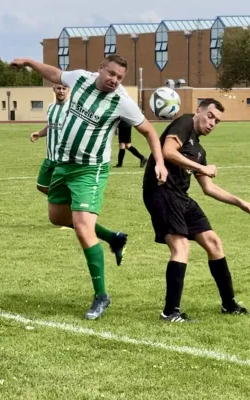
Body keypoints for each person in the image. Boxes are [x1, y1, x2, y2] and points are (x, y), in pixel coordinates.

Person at [10, 54, 168, 320]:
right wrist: (28, 62)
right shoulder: (81, 78)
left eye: (119, 78)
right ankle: (113, 238)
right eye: (111, 74)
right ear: (100, 68)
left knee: (82, 229)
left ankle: (101, 296)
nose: (114, 80)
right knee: (57, 217)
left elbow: (149, 131)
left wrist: (159, 163)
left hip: (90, 169)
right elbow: (53, 72)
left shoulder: (121, 102)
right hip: (63, 164)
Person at [142, 98, 250, 323]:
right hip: (161, 191)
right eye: (210, 116)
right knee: (181, 246)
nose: (213, 123)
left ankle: (229, 304)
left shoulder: (199, 149)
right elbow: (167, 151)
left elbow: (208, 188)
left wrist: (241, 203)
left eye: (217, 121)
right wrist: (202, 167)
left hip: (181, 197)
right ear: (198, 111)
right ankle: (170, 312)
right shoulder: (185, 123)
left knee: (214, 243)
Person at [31, 84, 70, 195]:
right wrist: (39, 133)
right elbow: (51, 126)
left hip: (64, 159)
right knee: (41, 186)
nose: (61, 91)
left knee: (62, 186)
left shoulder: (71, 109)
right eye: (59, 88)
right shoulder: (50, 107)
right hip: (49, 157)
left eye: (64, 88)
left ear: (68, 90)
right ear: (54, 89)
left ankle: (66, 206)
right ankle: (63, 202)